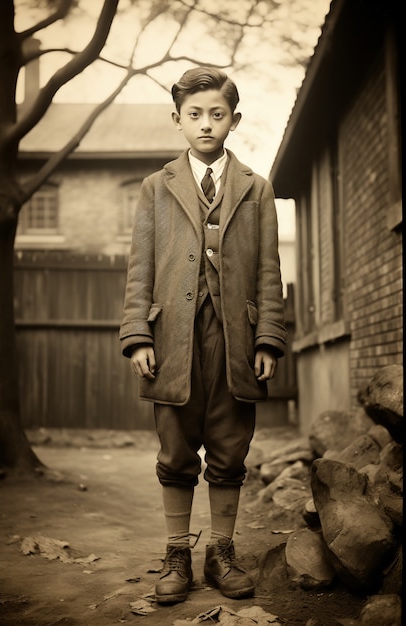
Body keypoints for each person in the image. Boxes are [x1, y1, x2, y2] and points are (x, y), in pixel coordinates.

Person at [119, 66, 287, 604]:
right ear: (177, 120)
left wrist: (268, 339)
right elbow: (139, 267)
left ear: (234, 120)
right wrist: (138, 334)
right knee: (174, 447)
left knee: (230, 445)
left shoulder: (256, 189)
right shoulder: (155, 187)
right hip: (173, 340)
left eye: (217, 114)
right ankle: (177, 554)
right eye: (195, 115)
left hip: (234, 340)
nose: (206, 124)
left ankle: (222, 550)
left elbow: (268, 269)